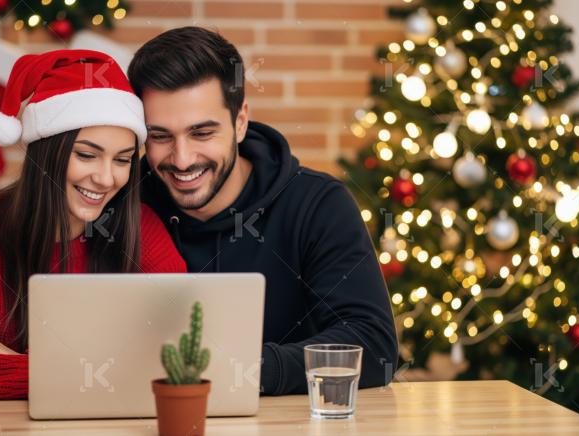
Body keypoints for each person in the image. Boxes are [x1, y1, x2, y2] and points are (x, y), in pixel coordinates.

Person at [0, 50, 186, 399]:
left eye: (122, 160)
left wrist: (15, 360)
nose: (106, 178)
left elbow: (176, 358)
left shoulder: (141, 229)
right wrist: (67, 372)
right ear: (46, 153)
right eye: (86, 155)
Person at [128, 27, 398, 396]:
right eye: (160, 137)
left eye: (202, 133)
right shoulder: (125, 205)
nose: (182, 158)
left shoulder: (317, 204)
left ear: (240, 122)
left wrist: (240, 373)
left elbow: (372, 344)